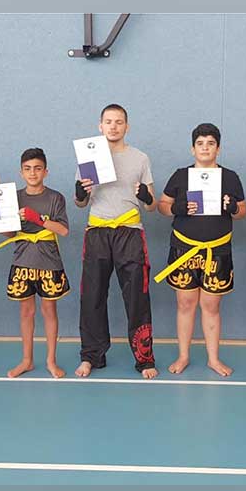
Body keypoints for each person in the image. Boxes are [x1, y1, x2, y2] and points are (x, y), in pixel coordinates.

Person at [155, 123, 246, 376]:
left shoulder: (230, 177)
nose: (205, 148)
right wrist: (177, 208)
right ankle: (183, 356)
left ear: (218, 148)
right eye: (200, 143)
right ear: (192, 148)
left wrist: (233, 208)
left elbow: (243, 211)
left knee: (211, 306)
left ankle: (213, 359)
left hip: (217, 250)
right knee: (185, 303)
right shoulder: (180, 176)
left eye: (210, 143)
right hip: (184, 247)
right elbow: (162, 205)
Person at [75, 104, 158, 379]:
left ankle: (144, 359)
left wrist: (146, 197)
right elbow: (80, 203)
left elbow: (151, 206)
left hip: (129, 231)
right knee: (92, 296)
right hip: (97, 230)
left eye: (119, 122)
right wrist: (80, 193)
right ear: (100, 126)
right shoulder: (89, 156)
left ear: (126, 126)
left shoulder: (140, 158)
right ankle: (91, 356)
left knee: (137, 297)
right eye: (108, 122)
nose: (113, 126)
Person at [0, 148, 70, 378]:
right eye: (27, 169)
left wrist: (37, 220)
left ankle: (51, 361)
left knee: (49, 310)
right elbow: (10, 233)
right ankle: (26, 360)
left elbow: (63, 230)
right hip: (22, 260)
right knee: (26, 312)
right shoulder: (13, 198)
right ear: (21, 172)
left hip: (49, 262)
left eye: (37, 168)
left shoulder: (55, 198)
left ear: (46, 171)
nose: (33, 173)